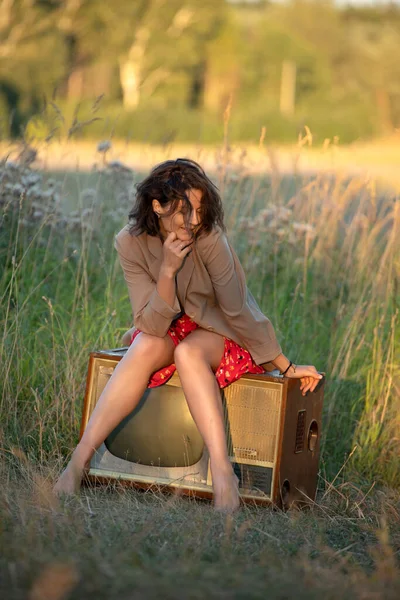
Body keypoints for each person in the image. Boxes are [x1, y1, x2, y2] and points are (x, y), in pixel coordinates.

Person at [53, 158, 323, 512]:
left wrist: (285, 366)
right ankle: (78, 462)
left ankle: (224, 476)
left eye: (200, 209)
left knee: (188, 354)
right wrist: (167, 271)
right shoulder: (129, 243)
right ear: (157, 206)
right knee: (147, 343)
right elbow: (148, 325)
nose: (194, 221)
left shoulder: (209, 237)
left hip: (217, 330)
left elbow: (238, 309)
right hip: (165, 328)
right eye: (184, 211)